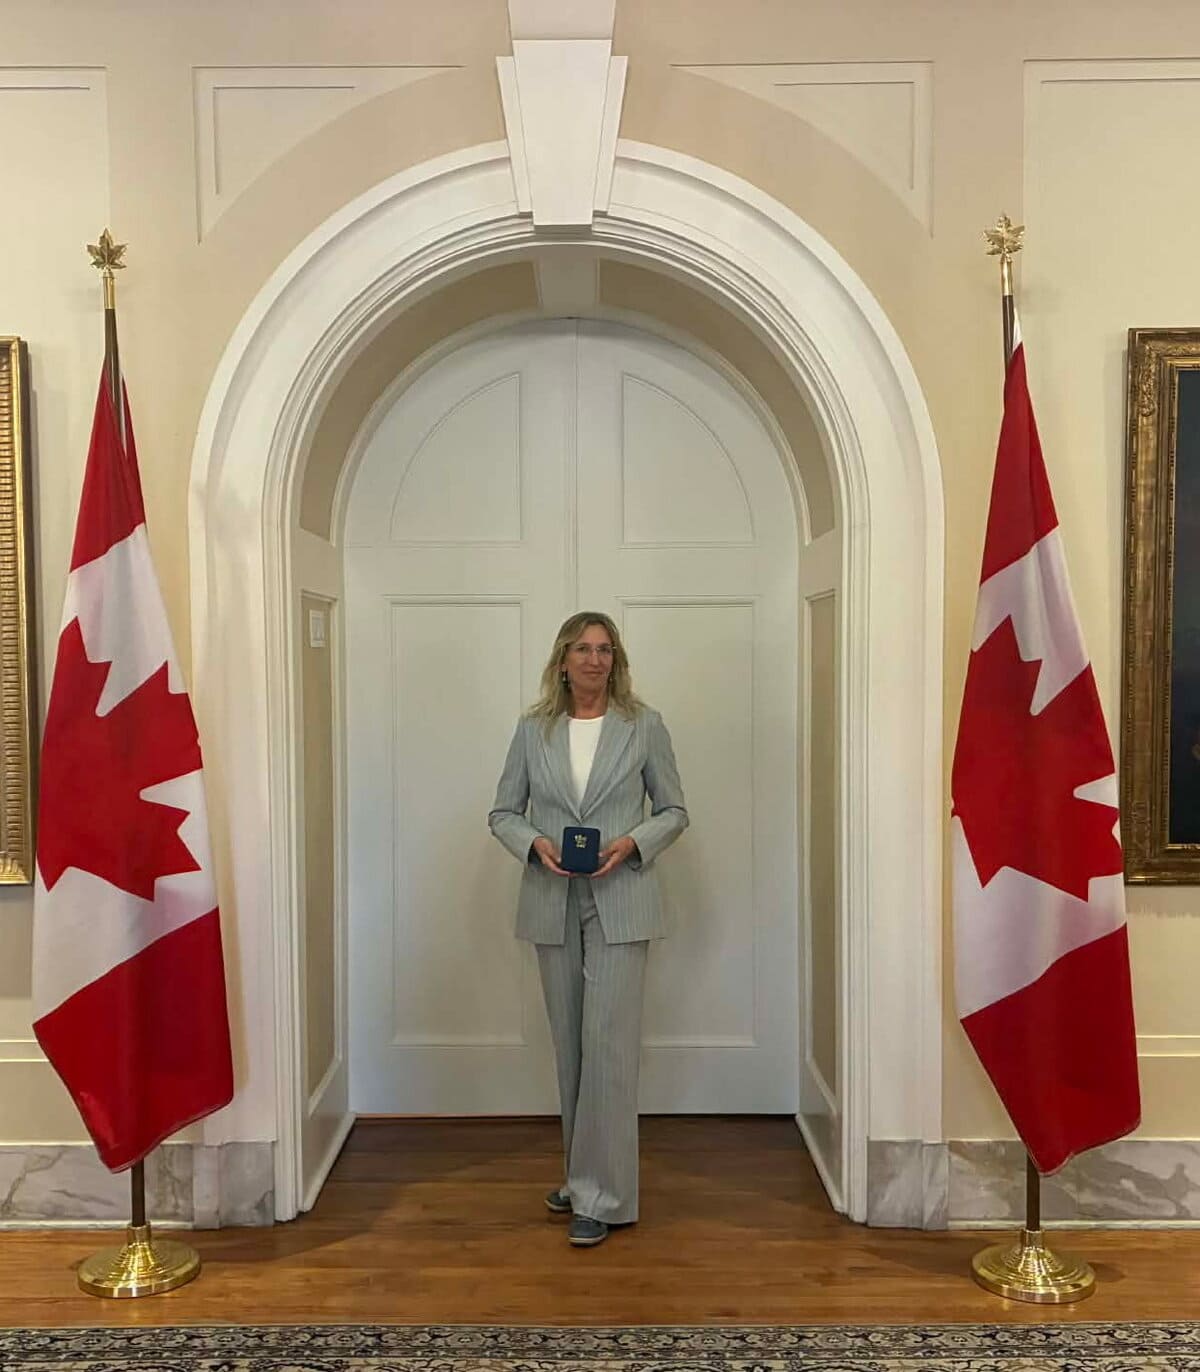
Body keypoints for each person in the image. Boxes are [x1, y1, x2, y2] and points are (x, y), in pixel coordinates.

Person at [488, 611, 688, 1247]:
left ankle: (604, 1197)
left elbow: (675, 810)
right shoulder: (533, 729)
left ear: (615, 660)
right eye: (583, 649)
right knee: (571, 1042)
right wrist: (535, 843)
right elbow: (501, 812)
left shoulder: (643, 726)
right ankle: (581, 1177)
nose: (594, 660)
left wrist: (632, 841)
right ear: (563, 659)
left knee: (607, 1045)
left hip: (621, 896)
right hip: (552, 897)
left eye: (605, 650)